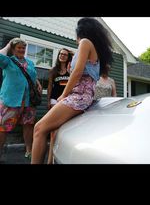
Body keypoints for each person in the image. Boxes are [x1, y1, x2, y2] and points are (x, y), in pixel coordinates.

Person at [31, 17, 113, 164]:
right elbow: (84, 73)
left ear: (80, 33)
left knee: (39, 128)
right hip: (85, 96)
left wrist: (63, 95)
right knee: (53, 131)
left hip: (78, 96)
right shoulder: (95, 49)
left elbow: (77, 73)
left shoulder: (85, 42)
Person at [0, 38, 42, 161]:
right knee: (3, 127)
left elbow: (31, 75)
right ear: (13, 49)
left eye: (23, 48)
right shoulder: (8, 61)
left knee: (28, 125)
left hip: (29, 101)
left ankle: (29, 151)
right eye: (18, 47)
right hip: (11, 100)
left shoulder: (30, 62)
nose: (22, 50)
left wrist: (37, 82)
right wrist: (8, 45)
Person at [47, 48, 72, 164]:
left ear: (68, 57)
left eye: (65, 54)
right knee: (53, 129)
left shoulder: (70, 70)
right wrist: (48, 101)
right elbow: (50, 87)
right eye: (61, 54)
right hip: (54, 100)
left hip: (67, 100)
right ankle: (49, 160)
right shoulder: (53, 70)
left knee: (63, 128)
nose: (62, 56)